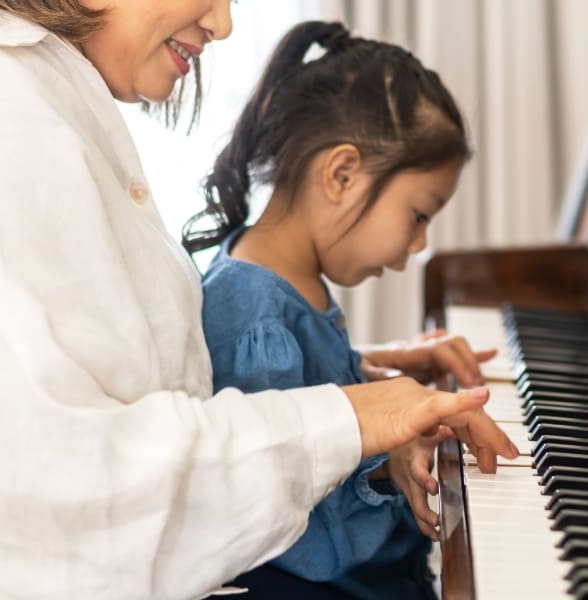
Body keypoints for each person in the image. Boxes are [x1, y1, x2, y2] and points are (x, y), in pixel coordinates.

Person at [0, 3, 517, 599]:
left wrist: (369, 374)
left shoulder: (49, 98)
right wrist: (375, 434)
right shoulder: (8, 119)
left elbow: (129, 377)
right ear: (341, 174)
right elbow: (73, 479)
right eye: (418, 216)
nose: (225, 24)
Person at [189, 20, 486, 598]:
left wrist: (380, 367)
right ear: (342, 173)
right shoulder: (255, 312)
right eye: (419, 215)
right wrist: (386, 460)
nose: (419, 244)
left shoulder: (284, 279)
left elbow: (312, 394)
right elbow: (276, 496)